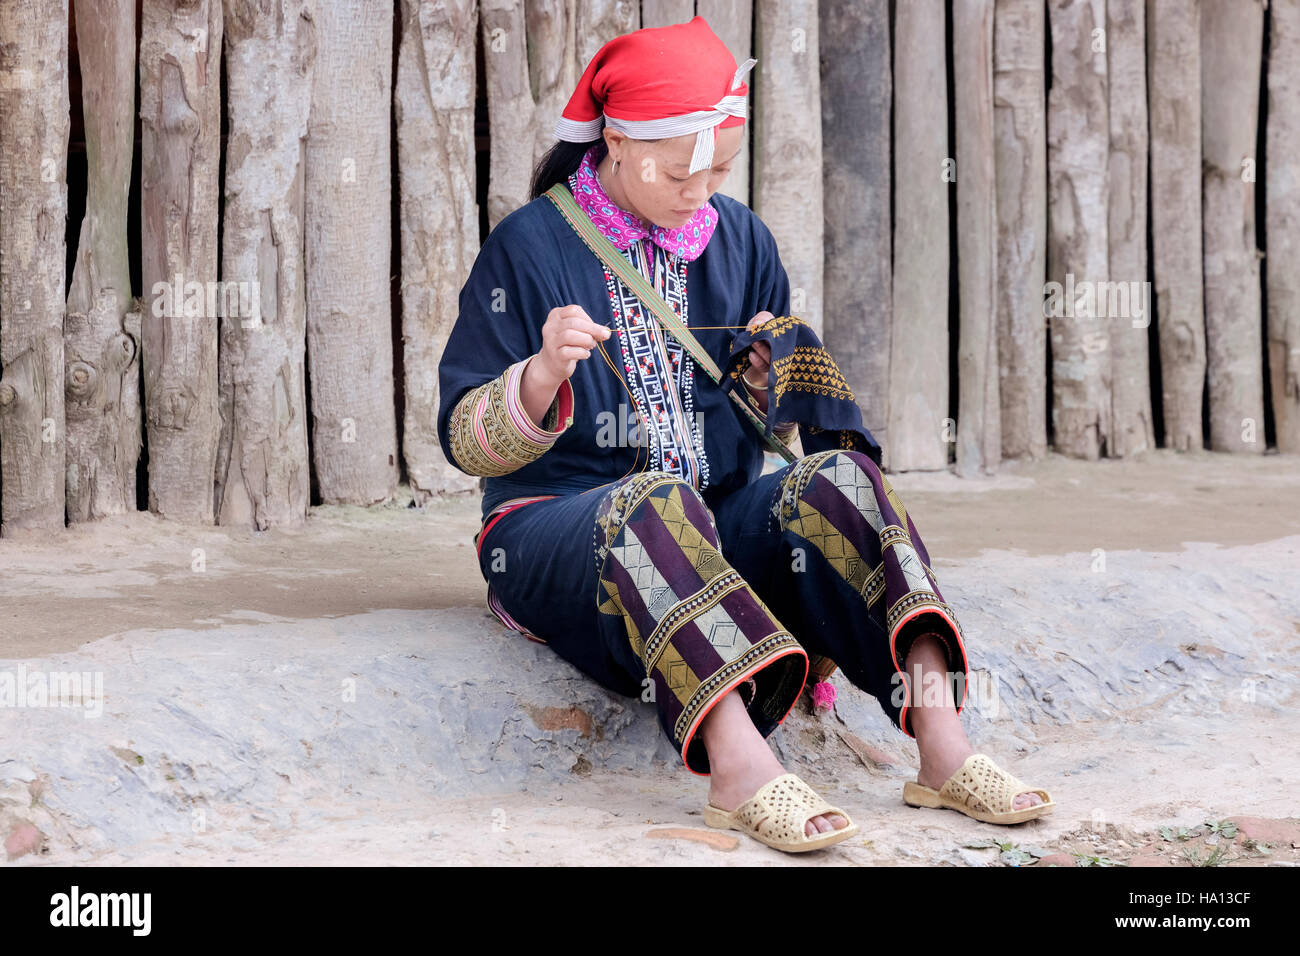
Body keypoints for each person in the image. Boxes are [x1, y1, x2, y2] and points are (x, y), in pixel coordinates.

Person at [437, 15, 1053, 853]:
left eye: (720, 168)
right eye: (681, 168)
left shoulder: (742, 239)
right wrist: (541, 375)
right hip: (558, 528)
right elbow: (465, 439)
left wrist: (772, 382)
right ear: (616, 140)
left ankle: (942, 744)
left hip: (707, 526)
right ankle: (740, 767)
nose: (701, 189)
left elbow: (784, 432)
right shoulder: (529, 246)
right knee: (648, 501)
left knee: (842, 484)